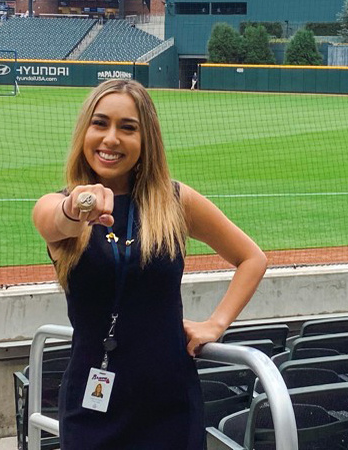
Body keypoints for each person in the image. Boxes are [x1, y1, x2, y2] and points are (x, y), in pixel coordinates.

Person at [33, 79, 267, 449]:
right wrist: (77, 206)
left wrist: (216, 323)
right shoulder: (58, 203)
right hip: (91, 405)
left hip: (169, 406)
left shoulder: (175, 201)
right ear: (84, 131)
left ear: (146, 141)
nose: (111, 138)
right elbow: (52, 220)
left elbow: (252, 258)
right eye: (100, 123)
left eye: (128, 128)